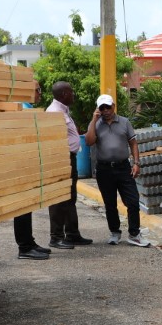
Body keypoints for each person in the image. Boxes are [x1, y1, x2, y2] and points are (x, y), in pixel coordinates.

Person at [84, 93, 151, 247]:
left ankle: (134, 234)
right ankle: (115, 232)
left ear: (113, 106)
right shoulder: (96, 124)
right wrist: (94, 120)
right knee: (110, 204)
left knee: (133, 201)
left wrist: (136, 163)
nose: (106, 110)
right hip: (104, 169)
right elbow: (88, 141)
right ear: (98, 109)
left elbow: (133, 143)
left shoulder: (124, 122)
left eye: (108, 107)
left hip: (123, 167)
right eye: (102, 108)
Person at [45, 81, 92, 250]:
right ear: (64, 94)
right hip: (60, 159)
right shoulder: (54, 112)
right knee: (59, 198)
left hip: (69, 158)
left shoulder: (63, 110)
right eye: (71, 92)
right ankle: (56, 237)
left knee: (70, 197)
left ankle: (72, 234)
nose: (74, 94)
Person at [13, 81, 52, 260]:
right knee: (22, 207)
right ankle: (25, 247)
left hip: (27, 164)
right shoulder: (20, 108)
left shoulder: (27, 107)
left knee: (27, 206)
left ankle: (29, 242)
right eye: (38, 90)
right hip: (20, 165)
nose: (40, 93)